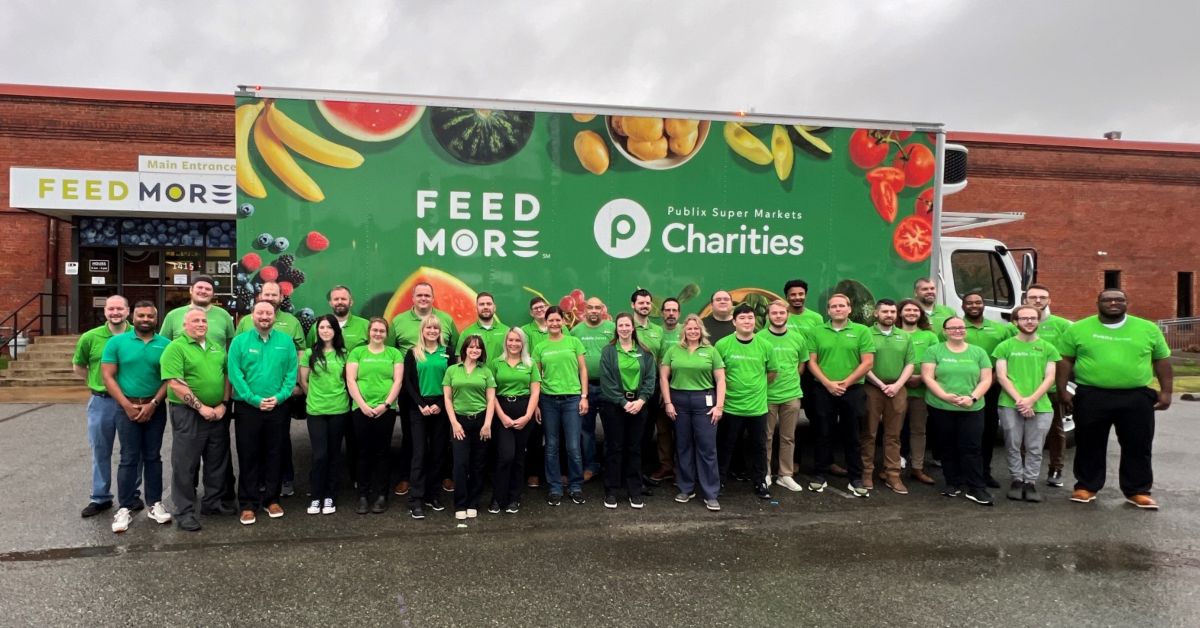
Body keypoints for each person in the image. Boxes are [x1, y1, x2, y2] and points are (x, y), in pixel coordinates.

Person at [1058, 289, 1172, 510]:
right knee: (1089, 443)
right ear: (1098, 303)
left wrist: (1166, 392)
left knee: (1138, 444)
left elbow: (1162, 361)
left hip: (1136, 396)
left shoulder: (1147, 328)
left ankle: (1137, 490)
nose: (1113, 303)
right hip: (1092, 394)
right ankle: (1086, 486)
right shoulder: (1079, 329)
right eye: (1107, 299)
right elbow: (1065, 361)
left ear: (1127, 303)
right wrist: (1062, 390)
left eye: (1119, 300)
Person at [100, 300, 172, 533]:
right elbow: (108, 377)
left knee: (153, 456)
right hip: (126, 406)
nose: (145, 320)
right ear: (134, 316)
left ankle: (155, 503)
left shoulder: (166, 344)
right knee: (128, 457)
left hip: (155, 406)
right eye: (141, 316)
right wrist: (126, 405)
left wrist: (153, 403)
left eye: (150, 316)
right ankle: (125, 506)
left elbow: (169, 378)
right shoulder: (117, 342)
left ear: (156, 318)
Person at [161, 307, 232, 531]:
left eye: (203, 320)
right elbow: (174, 383)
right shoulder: (175, 348)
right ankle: (184, 511)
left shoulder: (215, 346)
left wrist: (223, 403)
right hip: (188, 413)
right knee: (185, 463)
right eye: (195, 321)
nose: (201, 324)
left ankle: (213, 503)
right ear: (185, 325)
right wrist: (201, 407)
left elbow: (226, 375)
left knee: (216, 460)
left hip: (217, 411)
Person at [227, 301, 298, 524]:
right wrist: (254, 400)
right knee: (248, 454)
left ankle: (271, 500)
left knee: (275, 453)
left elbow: (291, 373)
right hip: (248, 408)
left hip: (278, 407)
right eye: (260, 313)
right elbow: (235, 374)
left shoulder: (285, 342)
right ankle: (248, 504)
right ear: (252, 315)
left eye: (268, 313)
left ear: (274, 316)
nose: (264, 316)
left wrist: (279, 397)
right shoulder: (240, 342)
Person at [235, 281, 305, 498]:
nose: (270, 299)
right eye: (266, 294)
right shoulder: (244, 326)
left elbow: (297, 358)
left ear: (281, 299)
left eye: (274, 295)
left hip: (279, 400)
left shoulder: (291, 324)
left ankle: (279, 488)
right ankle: (251, 496)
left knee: (279, 447)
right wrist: (252, 398)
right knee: (250, 450)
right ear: (258, 298)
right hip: (249, 402)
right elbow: (235, 368)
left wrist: (291, 389)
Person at [73, 294, 137, 518]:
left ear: (128, 311)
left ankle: (131, 495)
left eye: (120, 308)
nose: (115, 312)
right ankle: (100, 497)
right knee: (101, 450)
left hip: (131, 401)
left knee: (131, 451)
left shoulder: (137, 335)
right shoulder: (90, 337)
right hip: (102, 402)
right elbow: (80, 367)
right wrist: (98, 384)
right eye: (111, 309)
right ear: (105, 312)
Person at [921, 317, 995, 506]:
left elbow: (986, 379)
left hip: (972, 407)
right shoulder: (934, 351)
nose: (957, 330)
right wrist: (944, 396)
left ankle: (976, 487)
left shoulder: (978, 352)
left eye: (961, 327)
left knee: (972, 447)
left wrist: (973, 398)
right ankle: (952, 483)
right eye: (952, 328)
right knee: (947, 446)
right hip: (942, 406)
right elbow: (928, 377)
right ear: (945, 331)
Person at [807, 294, 874, 497]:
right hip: (823, 389)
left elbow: (867, 362)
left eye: (841, 306)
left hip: (852, 390)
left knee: (852, 435)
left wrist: (846, 383)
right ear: (828, 311)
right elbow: (811, 362)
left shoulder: (862, 331)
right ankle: (820, 475)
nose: (838, 309)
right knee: (823, 433)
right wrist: (828, 384)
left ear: (849, 309)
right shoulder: (816, 331)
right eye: (833, 306)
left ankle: (855, 478)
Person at [993, 305, 1060, 502]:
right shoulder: (1005, 346)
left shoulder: (1048, 348)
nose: (1029, 321)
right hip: (1009, 404)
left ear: (1038, 321)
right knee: (1013, 444)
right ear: (1015, 322)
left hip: (1041, 405)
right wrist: (1020, 401)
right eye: (1024, 318)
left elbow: (1049, 378)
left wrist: (1031, 400)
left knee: (1035, 447)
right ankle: (1016, 480)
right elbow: (1001, 377)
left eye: (1033, 318)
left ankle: (1030, 482)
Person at [661, 314, 726, 511]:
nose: (692, 331)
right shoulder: (673, 350)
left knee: (707, 448)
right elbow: (664, 378)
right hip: (679, 401)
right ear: (684, 331)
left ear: (701, 331)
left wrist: (719, 406)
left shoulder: (711, 351)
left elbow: (721, 380)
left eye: (696, 328)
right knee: (683, 446)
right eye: (689, 329)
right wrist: (668, 402)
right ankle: (686, 488)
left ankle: (710, 493)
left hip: (704, 402)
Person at [598, 313, 657, 509]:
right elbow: (606, 381)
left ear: (633, 328)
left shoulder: (645, 353)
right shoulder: (608, 352)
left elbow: (650, 379)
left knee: (634, 448)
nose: (624, 328)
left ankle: (634, 491)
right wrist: (623, 402)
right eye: (620, 325)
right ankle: (612, 490)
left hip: (639, 406)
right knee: (614, 448)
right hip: (614, 407)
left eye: (627, 325)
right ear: (617, 328)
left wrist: (641, 400)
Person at [346, 317, 403, 515]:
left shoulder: (394, 353)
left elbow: (397, 382)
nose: (378, 334)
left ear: (386, 334)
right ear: (369, 332)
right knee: (362, 453)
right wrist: (362, 405)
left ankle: (381, 495)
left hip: (385, 411)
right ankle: (362, 495)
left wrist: (385, 405)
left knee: (382, 453)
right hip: (360, 409)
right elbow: (351, 380)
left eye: (381, 331)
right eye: (374, 330)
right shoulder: (357, 352)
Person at [1018, 284, 1073, 488]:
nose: (1038, 301)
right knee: (1023, 430)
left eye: (1042, 297)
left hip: (1052, 388)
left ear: (1049, 300)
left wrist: (1065, 386)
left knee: (1056, 430)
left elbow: (1069, 357)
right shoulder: (1014, 325)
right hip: (1024, 390)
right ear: (1026, 300)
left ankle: (1056, 468)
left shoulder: (1062, 325)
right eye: (1033, 297)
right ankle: (1025, 470)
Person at [533, 305, 588, 506]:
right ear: (545, 323)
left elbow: (583, 370)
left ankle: (575, 486)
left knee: (573, 446)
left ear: (564, 322)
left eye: (558, 320)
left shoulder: (574, 342)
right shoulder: (539, 347)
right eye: (551, 320)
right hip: (548, 401)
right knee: (552, 446)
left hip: (572, 399)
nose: (554, 323)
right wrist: (537, 403)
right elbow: (536, 378)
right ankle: (555, 487)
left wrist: (584, 396)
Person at [959, 292, 1014, 489]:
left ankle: (984, 472)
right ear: (963, 306)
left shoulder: (1000, 329)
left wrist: (995, 379)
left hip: (991, 387)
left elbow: (1010, 354)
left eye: (978, 302)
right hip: (961, 386)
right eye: (969, 303)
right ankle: (961, 473)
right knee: (962, 433)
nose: (974, 305)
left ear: (984, 305)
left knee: (987, 431)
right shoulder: (956, 327)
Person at [404, 314, 456, 519]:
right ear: (422, 331)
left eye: (436, 328)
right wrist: (421, 405)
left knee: (438, 453)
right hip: (419, 407)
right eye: (429, 328)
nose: (432, 331)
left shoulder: (448, 353)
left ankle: (433, 495)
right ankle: (415, 499)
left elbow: (452, 381)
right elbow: (407, 383)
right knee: (419, 453)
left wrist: (440, 405)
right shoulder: (413, 353)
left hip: (441, 407)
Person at [863, 299, 917, 494]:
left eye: (893, 312)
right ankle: (867, 472)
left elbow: (910, 363)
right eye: (885, 311)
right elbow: (863, 363)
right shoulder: (866, 334)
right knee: (869, 433)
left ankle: (893, 474)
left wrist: (897, 385)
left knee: (893, 435)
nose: (889, 315)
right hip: (872, 387)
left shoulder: (904, 336)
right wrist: (880, 384)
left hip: (897, 388)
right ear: (876, 314)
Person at [298, 314, 350, 515]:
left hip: (339, 409)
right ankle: (316, 495)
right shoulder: (310, 353)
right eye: (322, 327)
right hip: (316, 410)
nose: (325, 330)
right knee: (320, 455)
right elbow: (303, 380)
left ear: (335, 330)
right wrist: (314, 396)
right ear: (317, 331)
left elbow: (348, 379)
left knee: (334, 455)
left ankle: (330, 496)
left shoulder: (344, 353)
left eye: (329, 327)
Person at [443, 335, 496, 520]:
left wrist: (488, 424)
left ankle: (473, 502)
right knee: (460, 464)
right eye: (471, 347)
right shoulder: (452, 370)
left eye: (478, 348)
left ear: (482, 352)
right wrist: (454, 423)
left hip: (481, 421)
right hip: (459, 422)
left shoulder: (486, 371)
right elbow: (448, 399)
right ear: (465, 349)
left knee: (478, 464)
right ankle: (460, 503)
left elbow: (491, 399)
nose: (474, 350)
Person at [757, 300, 807, 492]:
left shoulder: (797, 338)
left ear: (787, 315)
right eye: (774, 313)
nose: (778, 316)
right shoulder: (760, 338)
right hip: (767, 395)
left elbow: (801, 364)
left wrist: (791, 380)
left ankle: (785, 475)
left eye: (781, 313)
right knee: (766, 437)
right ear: (768, 316)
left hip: (791, 395)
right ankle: (766, 473)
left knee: (788, 437)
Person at [489, 327, 541, 514]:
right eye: (510, 340)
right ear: (506, 342)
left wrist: (527, 416)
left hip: (523, 410)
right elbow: (491, 393)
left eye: (517, 340)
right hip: (501, 410)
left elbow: (535, 390)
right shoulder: (496, 363)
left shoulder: (530, 363)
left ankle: (514, 498)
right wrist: (501, 416)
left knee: (519, 457)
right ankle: (498, 497)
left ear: (523, 343)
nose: (513, 344)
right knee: (505, 456)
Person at [571, 297, 615, 482]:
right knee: (586, 431)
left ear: (603, 310)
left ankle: (610, 467)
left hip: (608, 386)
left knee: (611, 430)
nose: (594, 311)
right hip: (585, 388)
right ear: (584, 310)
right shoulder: (576, 331)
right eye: (590, 307)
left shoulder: (611, 329)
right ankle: (590, 466)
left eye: (598, 308)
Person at [898, 299, 939, 485]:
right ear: (900, 313)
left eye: (916, 310)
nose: (912, 313)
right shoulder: (894, 334)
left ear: (921, 314)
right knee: (894, 430)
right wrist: (904, 379)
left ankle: (917, 467)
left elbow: (937, 360)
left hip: (921, 390)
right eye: (907, 310)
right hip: (898, 389)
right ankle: (893, 466)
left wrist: (921, 378)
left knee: (919, 430)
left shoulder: (930, 336)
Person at [648, 298, 682, 483]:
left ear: (679, 313)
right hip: (663, 387)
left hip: (683, 387)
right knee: (663, 430)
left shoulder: (687, 331)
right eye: (667, 310)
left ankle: (681, 469)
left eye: (674, 310)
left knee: (682, 431)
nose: (670, 313)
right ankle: (666, 466)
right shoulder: (657, 333)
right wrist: (662, 389)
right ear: (662, 313)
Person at [521, 296, 550, 489]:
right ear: (531, 313)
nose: (540, 310)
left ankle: (554, 472)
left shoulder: (560, 327)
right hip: (536, 388)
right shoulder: (525, 331)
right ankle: (533, 473)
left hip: (557, 388)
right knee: (535, 434)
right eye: (536, 308)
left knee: (557, 435)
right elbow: (528, 362)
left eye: (542, 307)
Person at [160, 275, 236, 347]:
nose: (203, 291)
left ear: (213, 294)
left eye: (208, 289)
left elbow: (232, 345)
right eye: (199, 287)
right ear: (191, 290)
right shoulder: (173, 315)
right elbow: (162, 344)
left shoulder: (224, 315)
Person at [392, 281, 458, 355]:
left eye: (427, 296)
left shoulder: (447, 319)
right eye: (419, 295)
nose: (423, 298)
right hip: (408, 366)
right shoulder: (398, 321)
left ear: (433, 298)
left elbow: (456, 351)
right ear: (413, 298)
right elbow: (389, 353)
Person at [308, 285, 372, 351]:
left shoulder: (365, 325)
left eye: (343, 299)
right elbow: (308, 352)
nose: (340, 302)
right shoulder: (317, 327)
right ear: (330, 303)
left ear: (351, 302)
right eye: (336, 299)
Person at [457, 292, 509, 362]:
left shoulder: (507, 331)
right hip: (476, 373)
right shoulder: (466, 333)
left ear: (494, 308)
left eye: (489, 304)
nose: (485, 307)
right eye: (481, 304)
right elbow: (460, 359)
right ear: (476, 308)